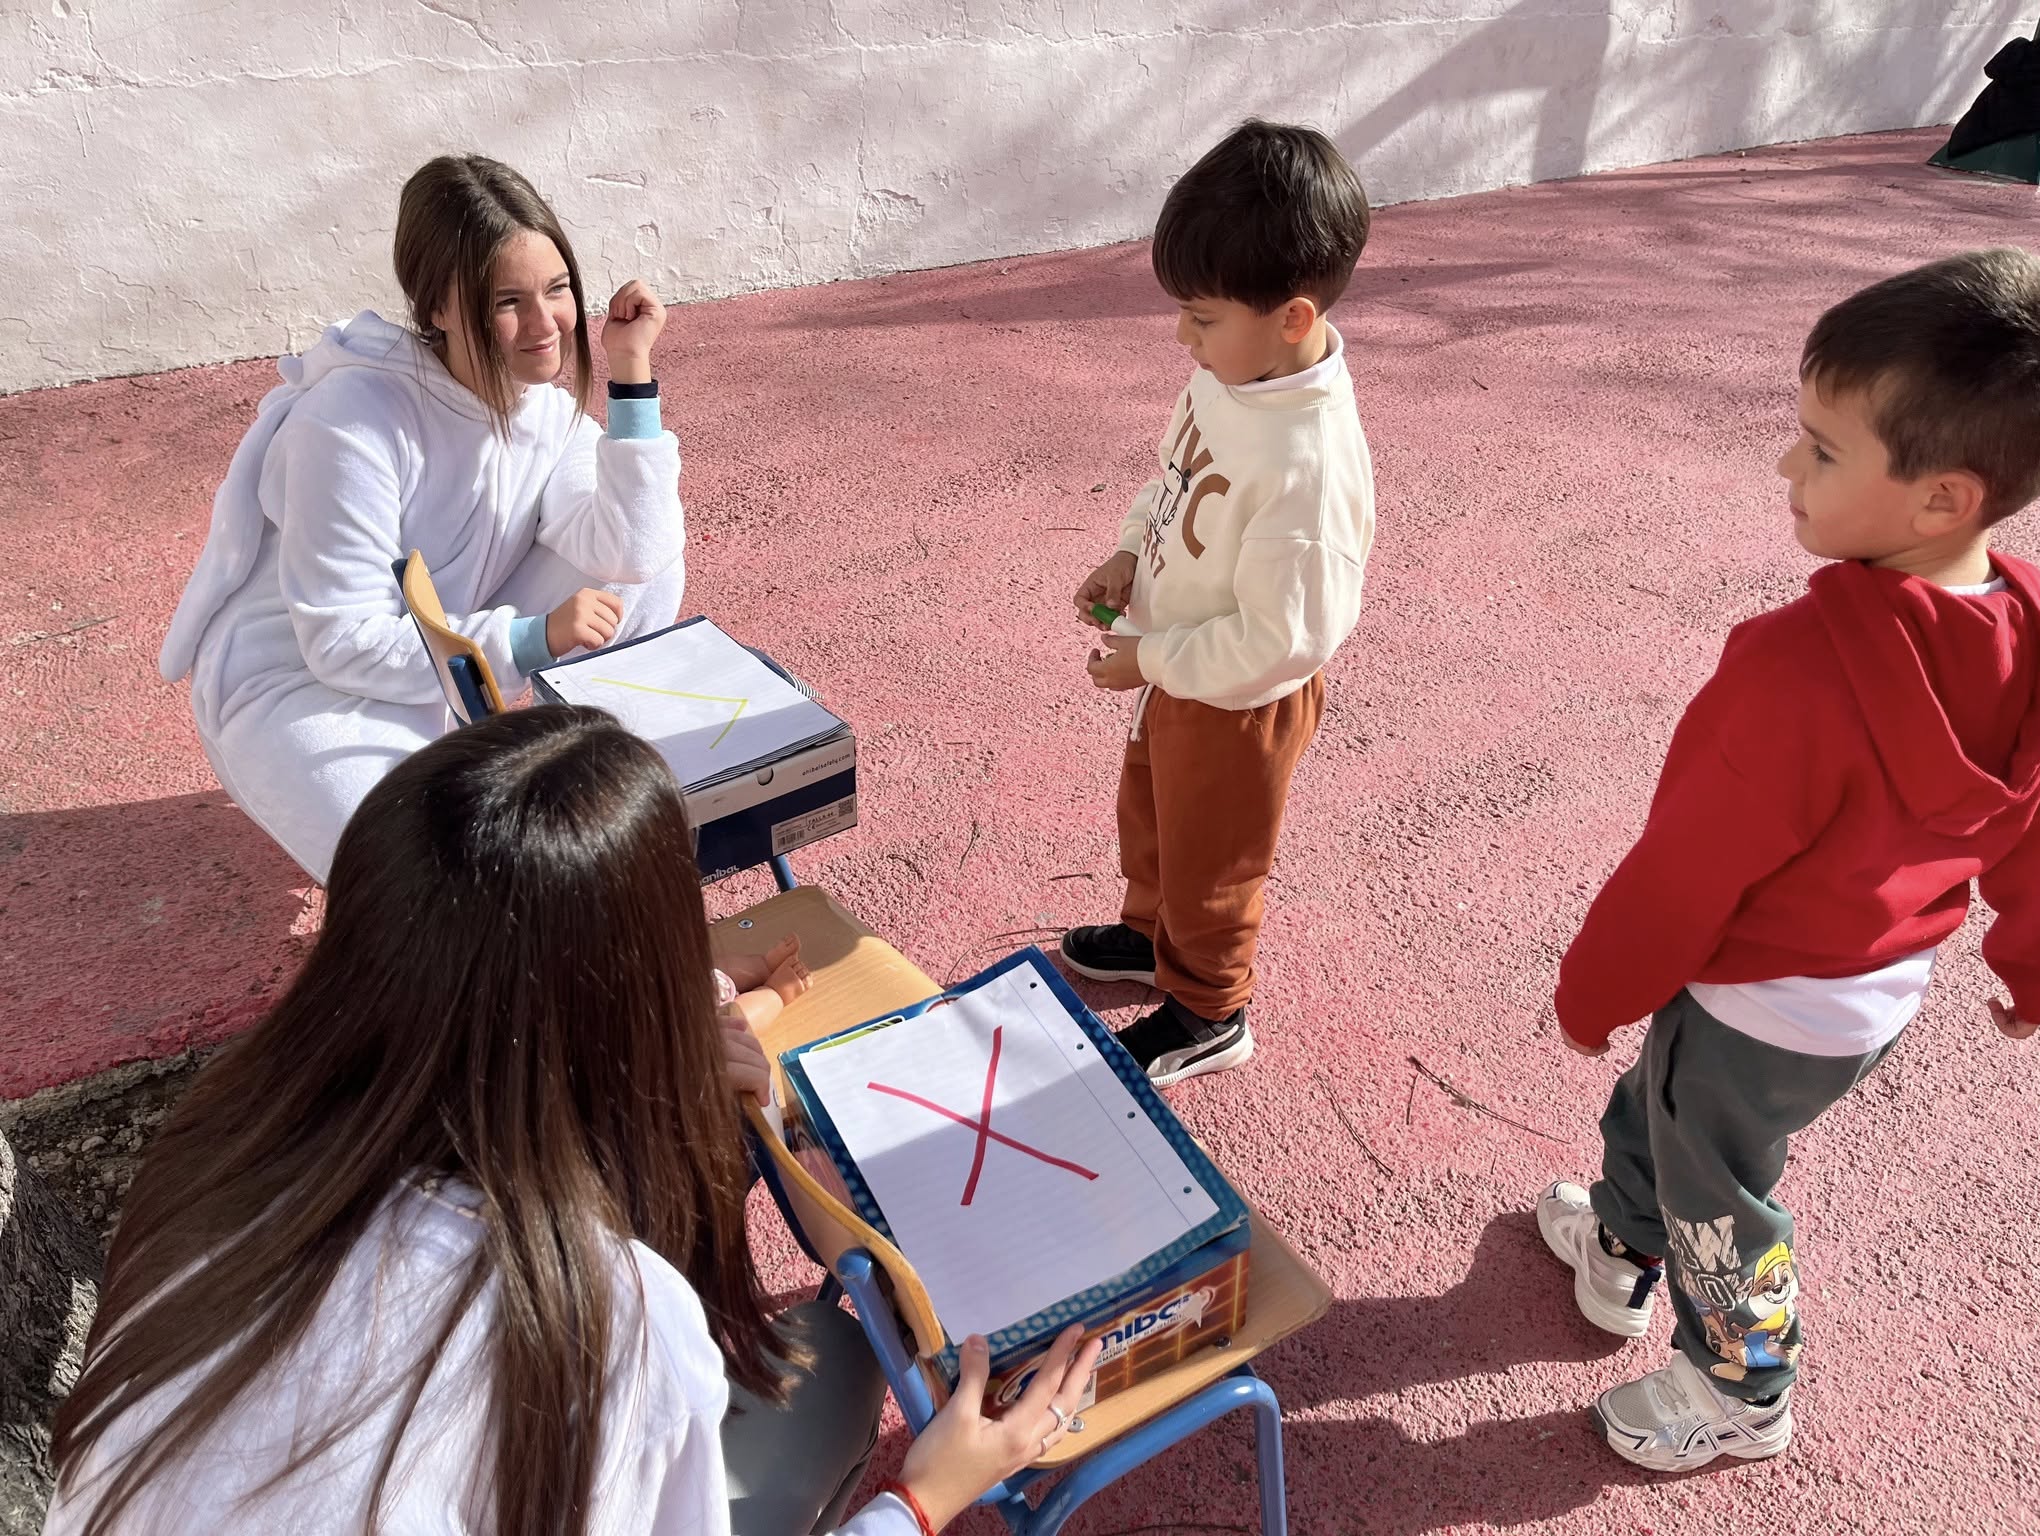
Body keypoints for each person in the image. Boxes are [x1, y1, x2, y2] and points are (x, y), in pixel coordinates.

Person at [44, 706, 1101, 1536]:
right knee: (834, 1352)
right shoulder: (614, 1321)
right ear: (622, 1003)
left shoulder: (220, 1147)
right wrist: (923, 1498)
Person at [1537, 249, 2040, 1471]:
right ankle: (1618, 1240)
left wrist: (1591, 991)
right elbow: (2034, 820)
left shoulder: (1792, 664)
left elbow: (1685, 868)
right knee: (1674, 1117)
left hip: (1752, 992)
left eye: (1821, 450)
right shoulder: (2028, 618)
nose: (1787, 466)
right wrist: (2032, 965)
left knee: (1719, 1188)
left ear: (1938, 498)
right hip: (1869, 992)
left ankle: (1742, 1387)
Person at [157, 154, 689, 882]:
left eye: (557, 289)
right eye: (507, 302)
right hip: (304, 687)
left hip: (447, 657)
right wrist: (530, 638)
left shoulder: (548, 416)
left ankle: (588, 786)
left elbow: (639, 548)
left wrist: (631, 372)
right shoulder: (350, 423)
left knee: (640, 561)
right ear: (436, 306)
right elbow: (342, 641)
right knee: (437, 883)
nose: (544, 325)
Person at [1062, 119, 1375, 1085]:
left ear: (1291, 316)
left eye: (1201, 317)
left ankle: (1209, 1004)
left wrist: (1151, 659)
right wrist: (1126, 552)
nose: (1181, 336)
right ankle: (1153, 933)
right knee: (1153, 813)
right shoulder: (1226, 378)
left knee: (1216, 858)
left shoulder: (1307, 464)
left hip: (1239, 697)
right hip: (1179, 657)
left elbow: (1284, 640)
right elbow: (1173, 475)